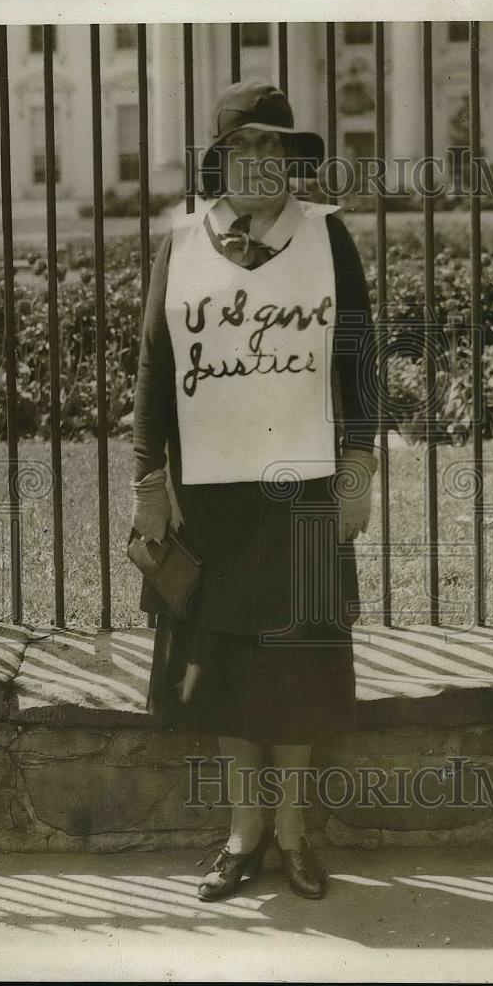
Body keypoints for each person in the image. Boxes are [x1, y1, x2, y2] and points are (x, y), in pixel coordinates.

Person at [131, 80, 379, 903]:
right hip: (214, 494)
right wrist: (149, 481)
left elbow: (359, 360)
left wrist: (358, 467)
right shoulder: (182, 244)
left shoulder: (327, 238)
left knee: (301, 659)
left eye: (275, 147)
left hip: (304, 488)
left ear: (292, 160)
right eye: (245, 148)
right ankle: (244, 831)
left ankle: (298, 833)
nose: (261, 163)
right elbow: (154, 373)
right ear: (220, 161)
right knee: (229, 665)